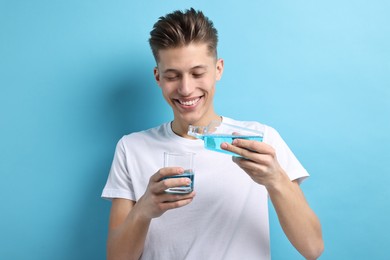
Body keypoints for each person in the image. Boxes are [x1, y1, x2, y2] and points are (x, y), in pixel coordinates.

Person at [102, 8, 324, 260]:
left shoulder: (260, 141)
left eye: (198, 73)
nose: (186, 89)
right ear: (158, 77)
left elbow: (312, 248)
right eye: (173, 76)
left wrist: (275, 180)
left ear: (218, 69)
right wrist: (144, 209)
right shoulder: (131, 148)